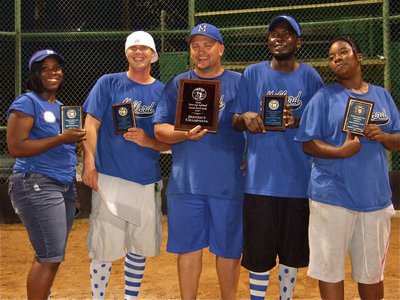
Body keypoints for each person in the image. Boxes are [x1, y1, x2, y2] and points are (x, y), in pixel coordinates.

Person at [295, 36, 400, 300]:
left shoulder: (382, 95)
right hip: (332, 197)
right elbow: (308, 143)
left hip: (373, 197)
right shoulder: (323, 98)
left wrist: (384, 137)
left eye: (343, 52)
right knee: (330, 271)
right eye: (332, 57)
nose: (337, 58)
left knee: (371, 273)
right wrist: (340, 152)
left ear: (359, 57)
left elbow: (397, 139)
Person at [231, 15, 324, 300]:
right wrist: (245, 117)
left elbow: (321, 124)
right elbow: (234, 120)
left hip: (297, 181)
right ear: (267, 40)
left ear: (299, 41)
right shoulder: (252, 73)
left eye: (287, 33)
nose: (279, 38)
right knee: (258, 255)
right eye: (273, 33)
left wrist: (298, 121)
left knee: (291, 254)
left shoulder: (310, 77)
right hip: (259, 182)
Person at [153, 23, 245, 299]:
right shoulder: (178, 83)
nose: (201, 51)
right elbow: (159, 129)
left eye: (207, 45)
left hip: (228, 184)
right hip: (186, 184)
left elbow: (252, 123)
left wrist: (252, 158)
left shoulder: (240, 82)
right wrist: (184, 134)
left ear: (221, 49)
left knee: (229, 249)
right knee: (189, 248)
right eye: (195, 46)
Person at [82, 31, 169, 300]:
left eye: (144, 48)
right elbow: (91, 124)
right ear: (126, 53)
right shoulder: (108, 83)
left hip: (146, 179)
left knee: (138, 247)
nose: (138, 52)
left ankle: (131, 297)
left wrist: (149, 141)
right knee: (103, 246)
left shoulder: (163, 91)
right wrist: (89, 163)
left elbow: (170, 141)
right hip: (110, 177)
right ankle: (99, 297)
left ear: (153, 55)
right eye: (133, 48)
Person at [6, 49, 86, 299]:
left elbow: (64, 149)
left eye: (57, 68)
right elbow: (17, 147)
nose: (53, 73)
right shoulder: (27, 102)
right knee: (49, 256)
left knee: (52, 254)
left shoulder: (61, 107)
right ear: (35, 74)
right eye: (45, 68)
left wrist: (73, 187)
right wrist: (61, 138)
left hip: (62, 186)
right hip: (36, 182)